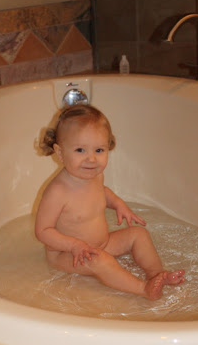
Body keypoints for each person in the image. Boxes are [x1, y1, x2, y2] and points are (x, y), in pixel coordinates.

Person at [35, 104, 185, 300]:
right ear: (60, 153)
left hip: (102, 243)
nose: (91, 159)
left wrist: (118, 204)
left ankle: (156, 274)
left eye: (99, 150)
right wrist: (74, 246)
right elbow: (43, 231)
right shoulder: (58, 191)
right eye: (80, 150)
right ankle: (142, 289)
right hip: (67, 255)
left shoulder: (95, 176)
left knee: (138, 234)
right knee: (100, 261)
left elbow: (102, 192)